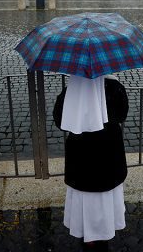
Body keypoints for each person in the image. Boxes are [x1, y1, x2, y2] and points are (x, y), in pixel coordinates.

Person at [53, 74, 129, 251]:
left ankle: (87, 235)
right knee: (106, 194)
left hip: (81, 152)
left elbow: (59, 120)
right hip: (108, 150)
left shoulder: (71, 89)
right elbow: (121, 114)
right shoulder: (114, 87)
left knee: (84, 195)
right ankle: (105, 230)